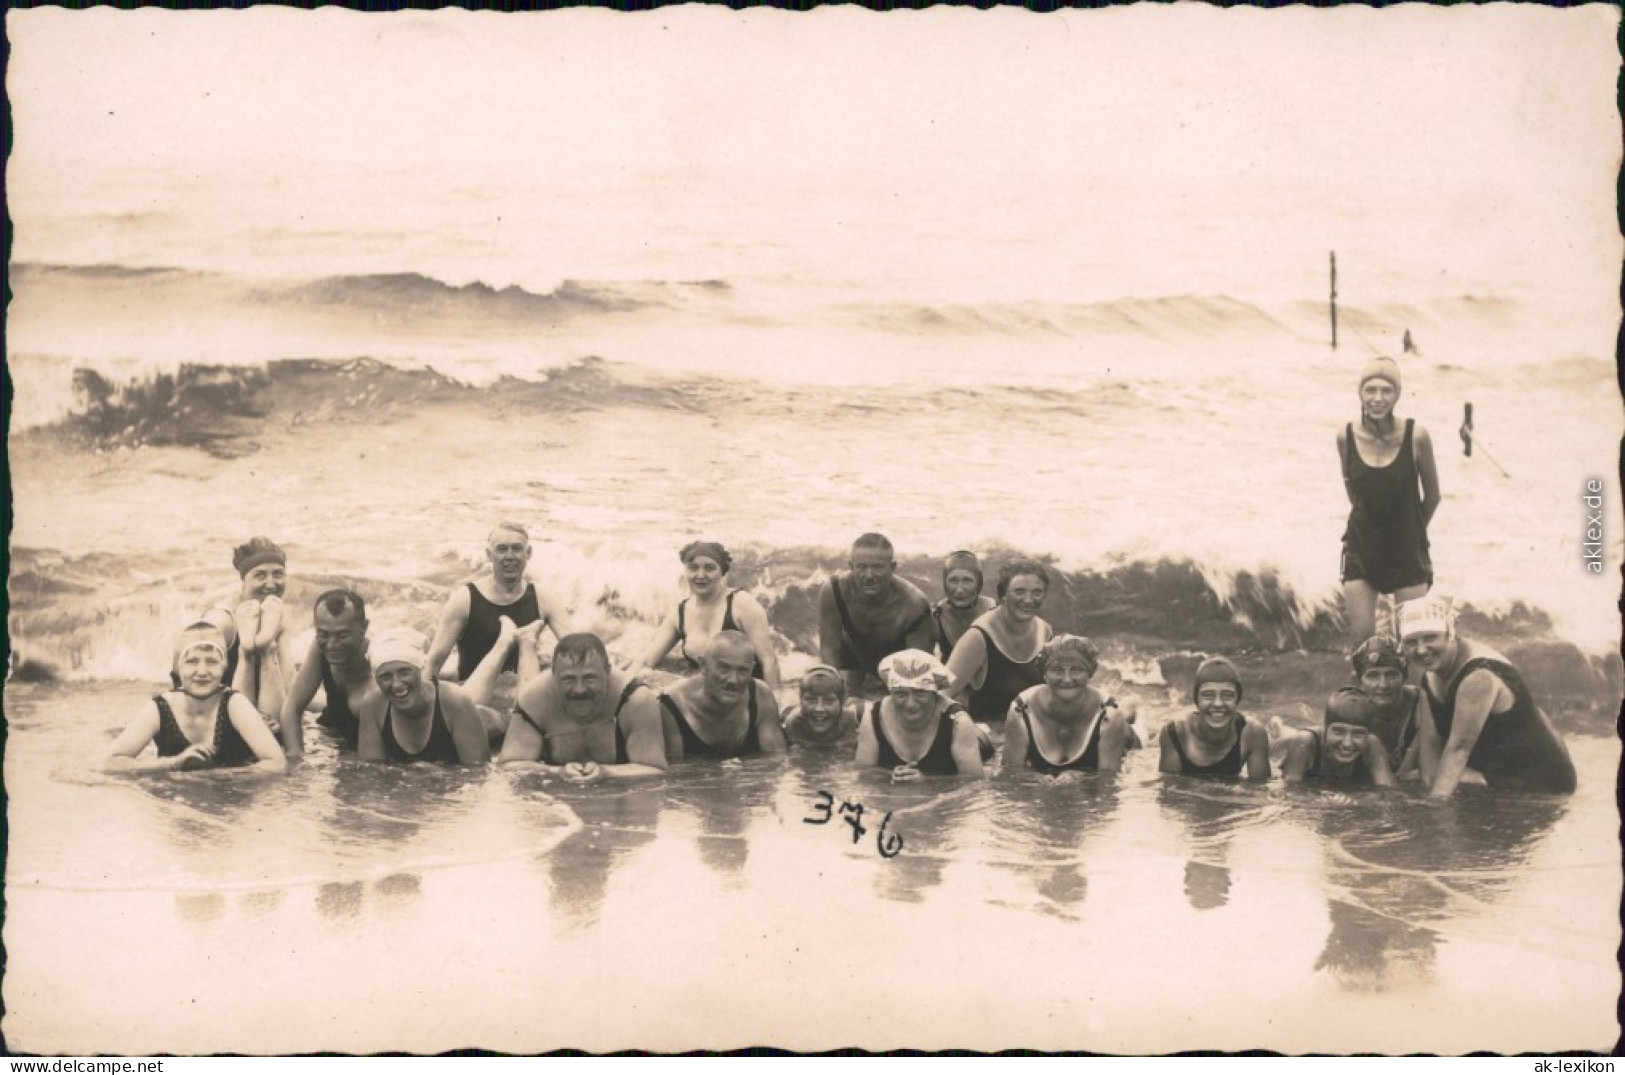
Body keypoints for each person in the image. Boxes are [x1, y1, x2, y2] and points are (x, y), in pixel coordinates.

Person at [1401, 596, 1576, 797]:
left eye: (1431, 637)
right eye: (1411, 642)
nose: (1422, 649)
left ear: (1451, 633)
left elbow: (1458, 751)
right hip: (1492, 768)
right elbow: (1430, 741)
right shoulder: (1432, 670)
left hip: (1539, 782)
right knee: (1416, 780)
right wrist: (1427, 786)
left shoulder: (1478, 675)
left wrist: (1434, 809)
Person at [1336, 356, 1441, 645]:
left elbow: (1433, 496)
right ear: (1360, 393)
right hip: (1362, 545)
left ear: (1397, 395)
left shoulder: (1416, 436)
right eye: (1370, 390)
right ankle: (1363, 692)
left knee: (1412, 642)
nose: (1377, 398)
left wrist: (1413, 531)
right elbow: (1352, 490)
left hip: (1406, 548)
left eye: (1386, 390)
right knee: (1362, 643)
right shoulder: (1345, 436)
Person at [102, 623, 286, 774]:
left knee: (272, 722)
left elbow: (277, 764)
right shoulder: (160, 707)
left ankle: (259, 649)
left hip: (230, 798)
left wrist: (213, 776)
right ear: (177, 668)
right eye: (192, 661)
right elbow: (110, 763)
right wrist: (174, 763)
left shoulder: (234, 703)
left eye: (212, 661)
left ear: (224, 668)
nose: (202, 672)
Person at [500, 633, 668, 782]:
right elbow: (509, 765)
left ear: (607, 671)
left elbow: (655, 769)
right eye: (568, 679)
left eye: (589, 678)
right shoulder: (533, 699)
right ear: (554, 674)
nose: (579, 689)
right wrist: (556, 772)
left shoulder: (636, 699)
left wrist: (606, 772)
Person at [424, 522, 572, 681]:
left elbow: (577, 650)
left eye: (516, 548)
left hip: (524, 696)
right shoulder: (464, 600)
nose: (509, 556)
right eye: (502, 549)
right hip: (473, 699)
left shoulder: (544, 599)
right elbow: (434, 663)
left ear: (528, 553)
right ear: (489, 554)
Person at [634, 540, 780, 687]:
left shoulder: (741, 604)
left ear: (722, 572)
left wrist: (774, 704)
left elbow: (769, 661)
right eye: (693, 568)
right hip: (708, 695)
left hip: (744, 693)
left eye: (710, 568)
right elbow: (647, 661)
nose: (701, 575)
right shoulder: (680, 613)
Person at [818, 533, 937, 695]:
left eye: (877, 567)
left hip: (898, 663)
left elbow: (916, 676)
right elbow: (829, 655)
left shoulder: (914, 605)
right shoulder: (834, 590)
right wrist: (836, 697)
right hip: (855, 655)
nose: (869, 576)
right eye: (861, 567)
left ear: (892, 568)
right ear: (851, 567)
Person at [1001, 635, 1135, 775]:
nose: (1066, 679)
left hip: (1114, 728)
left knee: (1125, 725)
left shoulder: (1109, 716)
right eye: (1057, 670)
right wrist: (1038, 780)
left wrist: (1079, 778)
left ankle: (1132, 707)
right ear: (1044, 674)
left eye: (1076, 670)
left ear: (1090, 673)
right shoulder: (1022, 710)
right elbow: (1010, 776)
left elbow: (1108, 783)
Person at [357, 628, 491, 765]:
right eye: (385, 677)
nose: (396, 685)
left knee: (477, 705)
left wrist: (433, 775)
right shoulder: (373, 704)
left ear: (420, 668)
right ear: (376, 680)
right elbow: (371, 772)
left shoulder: (456, 701)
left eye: (404, 672)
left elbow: (479, 774)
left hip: (489, 726)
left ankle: (503, 643)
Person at [945, 559, 1054, 725]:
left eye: (1037, 592)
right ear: (1003, 595)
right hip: (987, 740)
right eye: (1019, 591)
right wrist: (963, 727)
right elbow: (940, 695)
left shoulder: (1045, 631)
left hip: (1030, 735)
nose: (1028, 600)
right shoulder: (978, 637)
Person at [196, 536, 291, 718]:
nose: (271, 584)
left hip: (264, 709)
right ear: (244, 579)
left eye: (278, 574)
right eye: (260, 575)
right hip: (217, 713)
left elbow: (290, 684)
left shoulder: (276, 613)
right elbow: (193, 686)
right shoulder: (222, 621)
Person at [855, 649, 984, 780]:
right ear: (891, 693)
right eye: (901, 694)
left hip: (980, 743)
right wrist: (891, 775)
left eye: (920, 693)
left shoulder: (958, 721)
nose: (910, 704)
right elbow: (863, 772)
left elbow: (974, 779)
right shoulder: (873, 716)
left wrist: (927, 780)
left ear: (934, 693)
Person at [657, 631, 788, 760]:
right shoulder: (673, 705)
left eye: (743, 671)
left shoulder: (760, 694)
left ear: (752, 670)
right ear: (703, 665)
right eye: (724, 669)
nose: (733, 680)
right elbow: (675, 773)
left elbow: (776, 759)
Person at [279, 589, 372, 755]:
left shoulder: (379, 663)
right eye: (323, 634)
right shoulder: (319, 648)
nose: (332, 644)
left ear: (364, 627)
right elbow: (291, 708)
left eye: (342, 635)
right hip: (332, 727)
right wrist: (296, 755)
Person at [1158, 657, 1271, 780]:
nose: (1218, 704)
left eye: (1227, 695)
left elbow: (1260, 792)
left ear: (1237, 700)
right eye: (1208, 695)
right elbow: (1169, 794)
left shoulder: (1253, 734)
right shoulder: (1176, 733)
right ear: (1197, 701)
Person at [1282, 687, 1396, 787]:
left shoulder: (1373, 744)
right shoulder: (1305, 742)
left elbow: (1388, 794)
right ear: (1326, 729)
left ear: (1368, 735)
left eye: (1358, 734)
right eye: (1339, 732)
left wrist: (1357, 800)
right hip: (1281, 750)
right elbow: (1290, 793)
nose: (1347, 743)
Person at [1349, 635, 1426, 778]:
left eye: (1392, 675)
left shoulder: (1422, 704)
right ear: (1358, 681)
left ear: (1405, 676)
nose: (1383, 685)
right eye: (1373, 676)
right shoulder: (1348, 710)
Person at [932, 550, 996, 660]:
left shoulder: (995, 612)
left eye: (967, 581)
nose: (959, 590)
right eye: (953, 580)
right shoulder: (936, 616)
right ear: (945, 583)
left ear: (978, 583)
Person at [780, 664, 862, 746]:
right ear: (800, 701)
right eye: (811, 700)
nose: (819, 708)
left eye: (829, 701)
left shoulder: (853, 721)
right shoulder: (794, 725)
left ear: (842, 702)